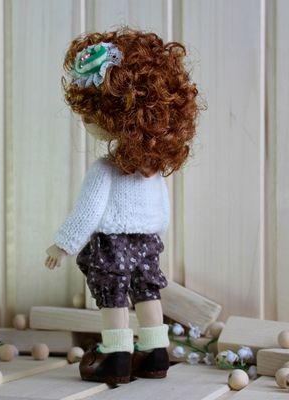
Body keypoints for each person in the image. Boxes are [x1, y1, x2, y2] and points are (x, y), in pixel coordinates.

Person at [44, 27, 200, 385]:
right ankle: (155, 352)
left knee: (113, 296)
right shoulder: (152, 174)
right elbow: (163, 216)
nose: (85, 120)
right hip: (147, 244)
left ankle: (116, 355)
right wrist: (154, 240)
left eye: (93, 114)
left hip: (113, 246)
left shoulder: (105, 170)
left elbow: (87, 213)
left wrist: (62, 245)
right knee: (147, 290)